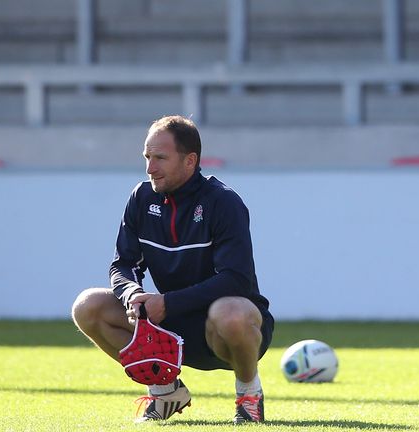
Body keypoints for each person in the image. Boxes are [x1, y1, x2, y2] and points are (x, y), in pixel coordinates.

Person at [71, 115, 274, 424]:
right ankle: (166, 393)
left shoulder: (223, 202)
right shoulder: (141, 197)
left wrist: (168, 303)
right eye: (147, 158)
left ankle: (249, 394)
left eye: (160, 158)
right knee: (88, 306)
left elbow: (236, 279)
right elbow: (123, 264)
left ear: (190, 161)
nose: (150, 167)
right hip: (167, 327)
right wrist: (133, 295)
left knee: (230, 311)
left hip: (222, 330)